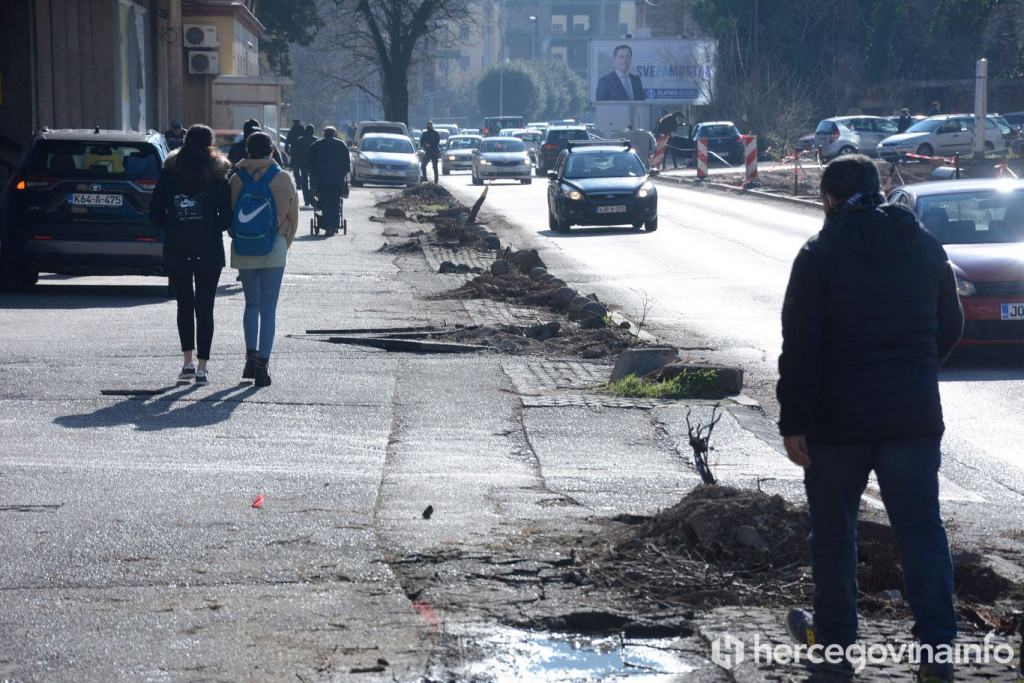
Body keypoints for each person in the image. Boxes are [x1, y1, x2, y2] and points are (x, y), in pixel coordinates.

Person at [776, 155, 963, 682]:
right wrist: (915, 372)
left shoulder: (819, 253)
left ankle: (835, 648)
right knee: (921, 532)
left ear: (828, 199)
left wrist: (794, 422)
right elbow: (950, 325)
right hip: (912, 418)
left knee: (835, 533)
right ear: (879, 192)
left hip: (838, 424)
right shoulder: (925, 246)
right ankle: (937, 653)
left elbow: (801, 347)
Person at [148, 124, 232, 385]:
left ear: (185, 142)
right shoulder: (218, 173)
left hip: (177, 248)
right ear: (211, 144)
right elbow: (226, 217)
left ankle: (187, 364)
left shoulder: (170, 171)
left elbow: (154, 212)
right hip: (209, 249)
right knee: (205, 309)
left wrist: (174, 225)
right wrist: (210, 228)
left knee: (184, 306)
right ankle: (203, 369)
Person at [229, 132, 299, 387]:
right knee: (269, 311)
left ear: (248, 151)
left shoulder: (237, 178)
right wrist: (282, 243)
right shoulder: (283, 178)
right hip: (274, 248)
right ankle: (262, 367)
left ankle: (249, 358)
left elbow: (230, 214)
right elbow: (293, 217)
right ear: (272, 151)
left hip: (244, 248)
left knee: (251, 306)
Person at [306, 126, 350, 235]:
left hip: (322, 180)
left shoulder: (316, 145)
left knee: (325, 202)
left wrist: (314, 178)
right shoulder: (341, 145)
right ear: (334, 133)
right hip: (337, 180)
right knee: (335, 203)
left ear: (324, 133)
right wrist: (344, 177)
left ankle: (328, 226)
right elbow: (347, 165)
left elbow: (310, 164)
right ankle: (335, 225)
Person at [290, 124, 317, 207]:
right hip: (313, 165)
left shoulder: (299, 140)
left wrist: (292, 164)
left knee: (304, 182)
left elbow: (294, 154)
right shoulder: (316, 140)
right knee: (312, 182)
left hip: (303, 164)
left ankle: (306, 200)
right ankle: (312, 198)